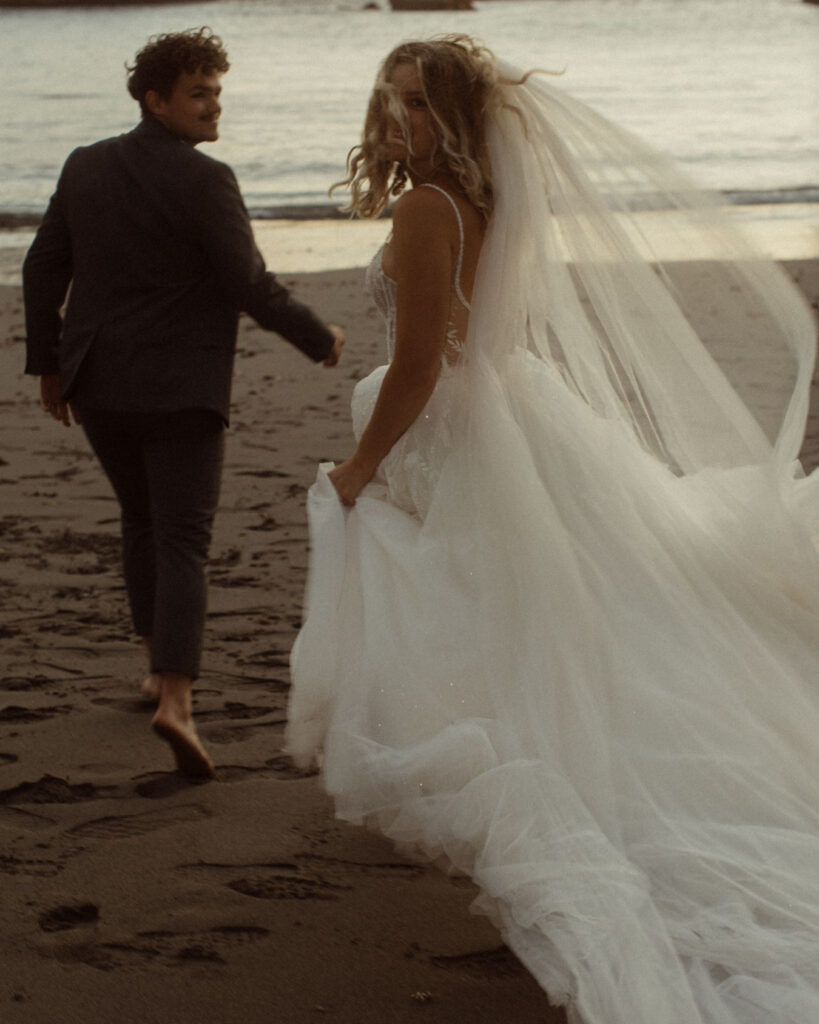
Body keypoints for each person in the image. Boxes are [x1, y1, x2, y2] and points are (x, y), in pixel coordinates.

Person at [286, 35, 819, 1023]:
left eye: (415, 103)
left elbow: (415, 366)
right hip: (515, 415)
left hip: (462, 429)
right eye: (392, 99)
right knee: (565, 609)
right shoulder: (492, 202)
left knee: (482, 611)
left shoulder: (425, 207)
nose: (399, 119)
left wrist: (357, 469)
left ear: (452, 118)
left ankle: (546, 777)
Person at [23, 27, 344, 780]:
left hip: (99, 383)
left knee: (141, 522)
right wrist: (316, 336)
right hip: (180, 390)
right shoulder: (208, 180)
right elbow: (247, 284)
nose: (212, 107)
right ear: (154, 98)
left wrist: (48, 363)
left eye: (217, 92)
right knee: (182, 541)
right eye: (198, 94)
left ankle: (150, 667)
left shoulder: (85, 164)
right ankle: (177, 699)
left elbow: (44, 265)